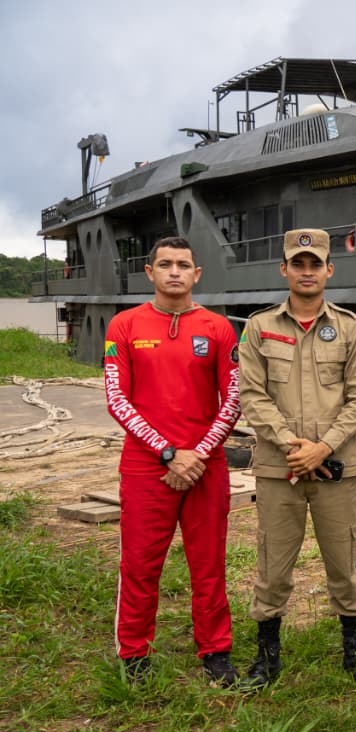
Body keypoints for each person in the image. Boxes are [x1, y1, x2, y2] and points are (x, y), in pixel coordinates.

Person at [237, 228, 356, 690]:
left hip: (335, 466)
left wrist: (322, 447)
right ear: (284, 269)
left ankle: (355, 654)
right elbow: (252, 395)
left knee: (343, 561)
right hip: (278, 468)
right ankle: (267, 658)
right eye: (297, 264)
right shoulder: (260, 327)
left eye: (314, 264)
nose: (306, 271)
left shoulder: (349, 328)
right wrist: (291, 446)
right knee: (273, 563)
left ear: (328, 269)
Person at [102, 236, 242, 686]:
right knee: (140, 564)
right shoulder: (123, 326)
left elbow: (233, 398)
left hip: (207, 466)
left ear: (197, 274)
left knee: (209, 563)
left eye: (184, 264)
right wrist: (166, 452)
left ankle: (216, 651)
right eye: (166, 264)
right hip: (146, 467)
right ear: (150, 273)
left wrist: (197, 454)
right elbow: (116, 399)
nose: (175, 272)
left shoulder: (219, 328)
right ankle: (134, 653)